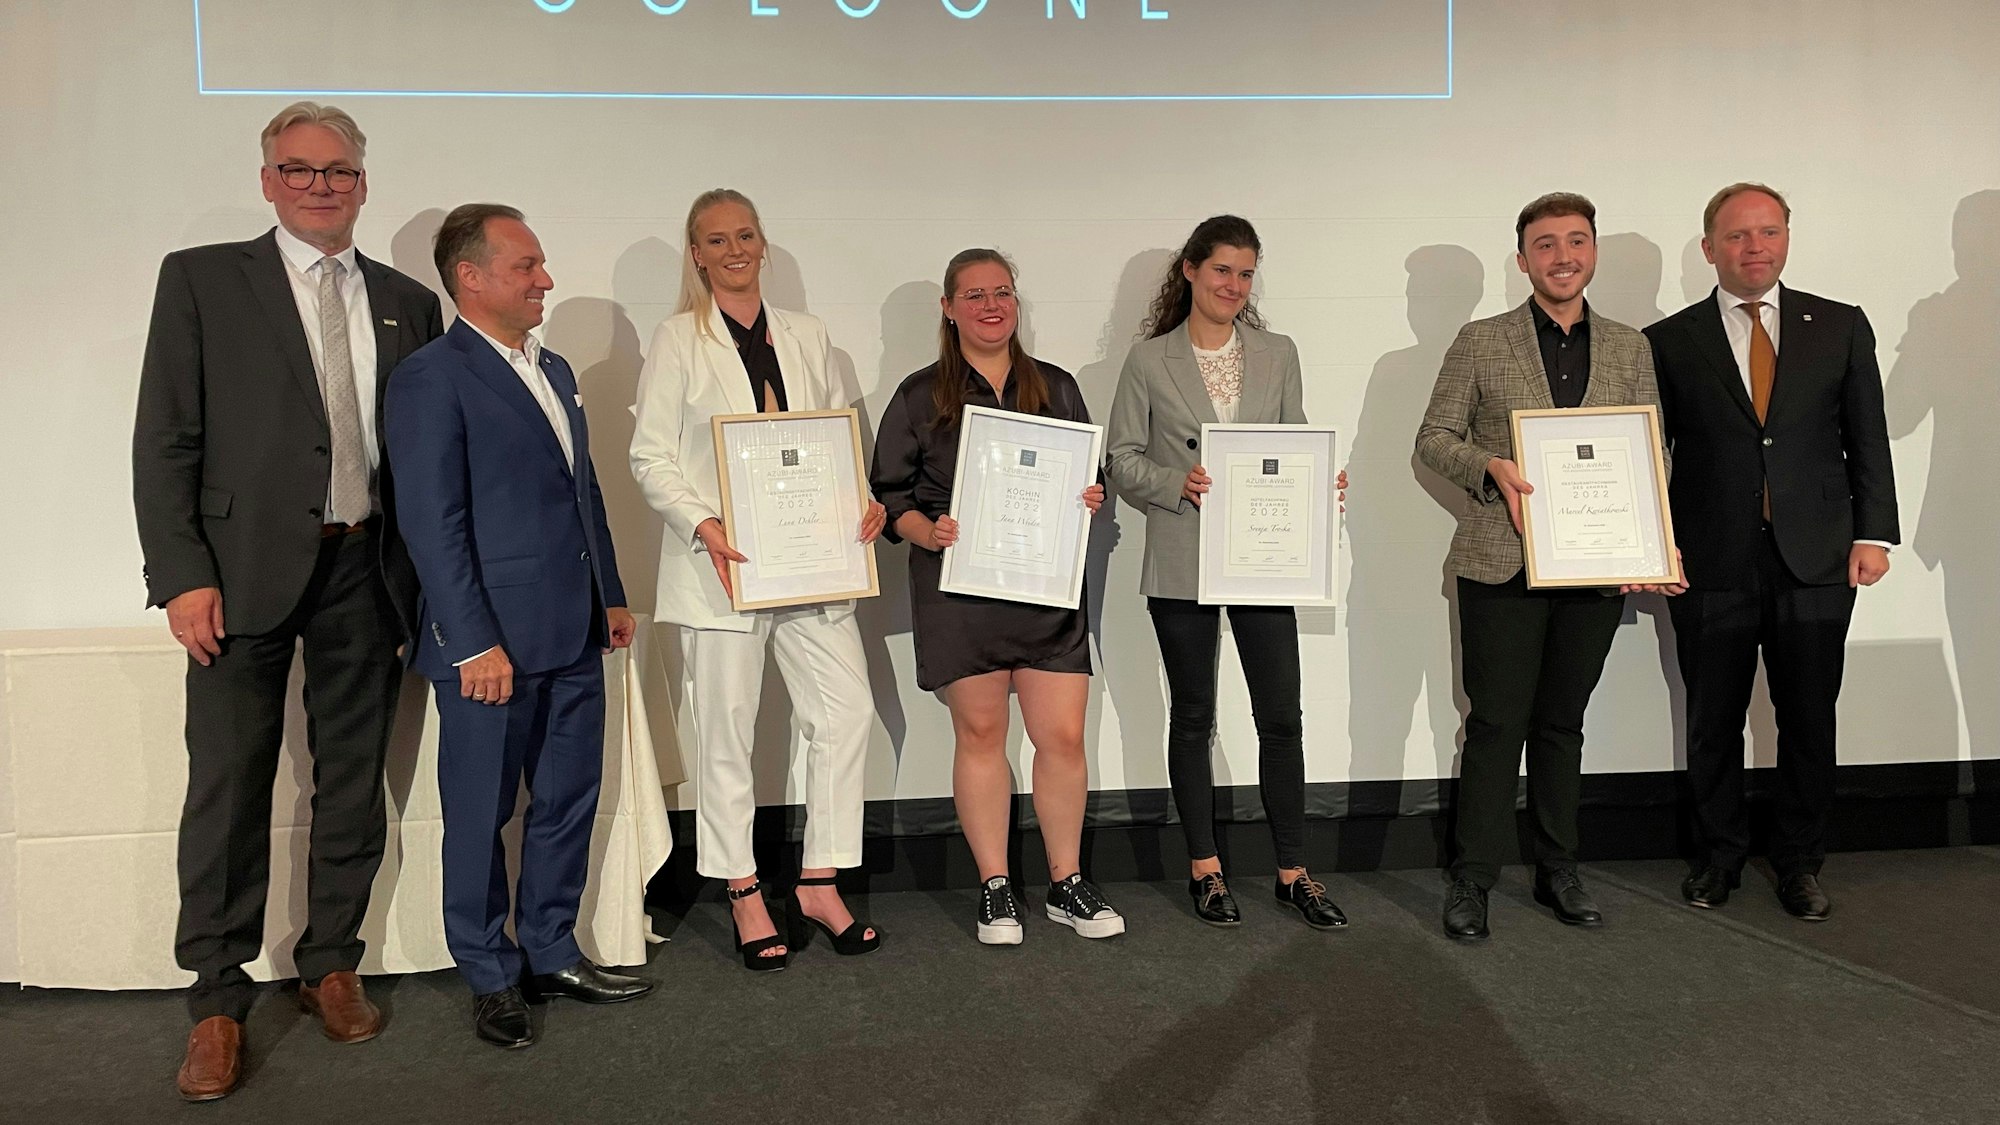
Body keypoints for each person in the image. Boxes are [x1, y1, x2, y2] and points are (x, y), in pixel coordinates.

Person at [132, 101, 443, 1101]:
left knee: (351, 778)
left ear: (362, 181)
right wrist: (180, 573)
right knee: (227, 787)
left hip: (366, 570)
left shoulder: (406, 300)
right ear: (268, 179)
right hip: (235, 576)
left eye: (338, 171)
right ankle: (217, 999)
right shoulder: (201, 281)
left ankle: (330, 963)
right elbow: (165, 440)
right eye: (300, 169)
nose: (320, 185)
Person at [384, 204, 651, 1049]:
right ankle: (488, 973)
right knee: (478, 811)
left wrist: (609, 590)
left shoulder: (556, 366)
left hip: (573, 631)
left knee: (567, 802)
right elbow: (432, 521)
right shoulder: (432, 376)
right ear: (470, 276)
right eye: (527, 266)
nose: (545, 279)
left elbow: (585, 490)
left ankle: (549, 947)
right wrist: (470, 641)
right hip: (488, 645)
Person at [630, 189, 885, 971]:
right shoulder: (678, 339)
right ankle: (742, 887)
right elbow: (650, 455)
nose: (735, 249)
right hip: (722, 567)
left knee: (847, 713)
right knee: (728, 733)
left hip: (811, 563)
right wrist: (701, 523)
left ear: (763, 244)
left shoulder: (808, 335)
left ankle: (817, 878)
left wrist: (863, 500)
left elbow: (831, 441)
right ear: (697, 254)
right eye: (717, 239)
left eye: (746, 235)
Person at [1414, 192, 1675, 941]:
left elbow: (1650, 453)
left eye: (1576, 241)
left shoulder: (1630, 347)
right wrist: (1489, 465)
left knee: (1563, 723)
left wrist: (1647, 541)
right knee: (1496, 724)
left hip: (1593, 566)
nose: (1563, 256)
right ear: (1523, 258)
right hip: (1501, 562)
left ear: (1593, 252)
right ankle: (1474, 878)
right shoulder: (1481, 339)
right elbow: (1433, 437)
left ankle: (1560, 867)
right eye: (1547, 244)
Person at [1646, 183, 1898, 921]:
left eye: (1767, 232)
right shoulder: (1670, 340)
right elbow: (1648, 451)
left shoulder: (1841, 326)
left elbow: (1868, 437)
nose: (1753, 246)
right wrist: (1651, 546)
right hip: (1709, 557)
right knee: (1712, 716)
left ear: (1788, 237)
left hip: (1819, 557)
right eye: (1736, 236)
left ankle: (1799, 862)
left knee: (1810, 716)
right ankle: (1717, 856)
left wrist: (1873, 534)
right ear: (1708, 249)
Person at [870, 249, 1124, 944]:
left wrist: (1092, 496)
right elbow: (889, 498)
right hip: (962, 591)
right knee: (981, 735)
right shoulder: (918, 396)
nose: (991, 305)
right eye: (975, 294)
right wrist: (929, 529)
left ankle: (1067, 882)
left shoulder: (1059, 387)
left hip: (1045, 591)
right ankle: (995, 886)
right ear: (948, 308)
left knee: (1062, 736)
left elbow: (1088, 476)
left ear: (1017, 302)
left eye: (1003, 292)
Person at [1104, 215, 1349, 930]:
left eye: (1245, 274)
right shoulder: (1150, 360)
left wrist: (1316, 483)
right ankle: (1206, 868)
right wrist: (1178, 481)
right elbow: (1120, 458)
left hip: (1265, 558)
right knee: (1193, 716)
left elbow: (1294, 437)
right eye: (1221, 271)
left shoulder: (1278, 352)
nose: (1233, 286)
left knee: (1282, 716)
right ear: (1189, 270)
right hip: (1183, 555)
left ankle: (1294, 870)